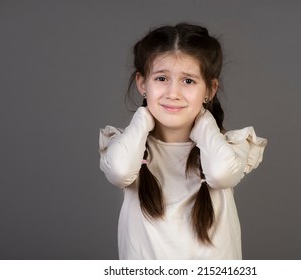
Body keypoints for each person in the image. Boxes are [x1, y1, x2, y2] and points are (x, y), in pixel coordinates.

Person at [99, 23, 267, 260]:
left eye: (188, 81)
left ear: (210, 88)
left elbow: (221, 174)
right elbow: (119, 171)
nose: (173, 93)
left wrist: (205, 122)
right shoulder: (129, 147)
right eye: (161, 78)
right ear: (142, 83)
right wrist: (143, 119)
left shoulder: (226, 147)